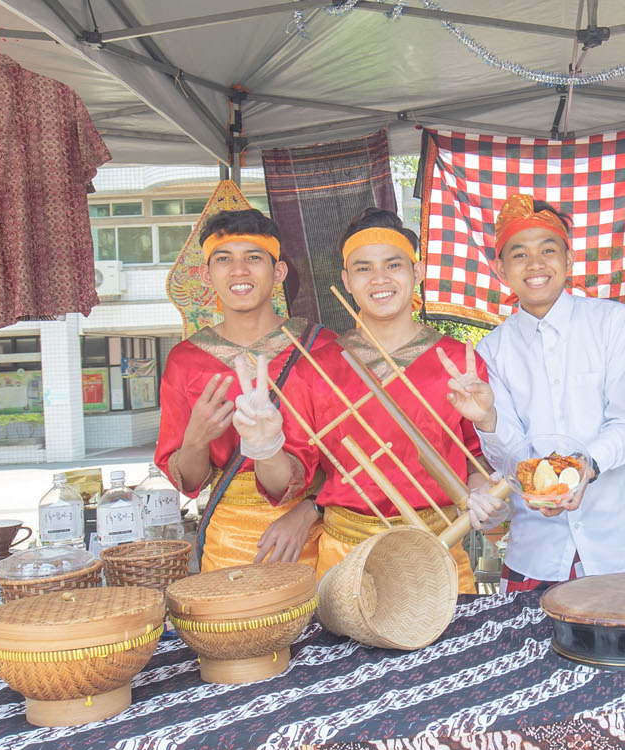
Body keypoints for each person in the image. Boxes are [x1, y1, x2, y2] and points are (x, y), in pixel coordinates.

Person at [249, 208, 507, 588]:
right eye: (364, 268)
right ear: (346, 281)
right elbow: (285, 483)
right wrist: (264, 445)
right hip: (346, 557)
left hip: (437, 550)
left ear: (416, 273)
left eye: (393, 264)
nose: (380, 279)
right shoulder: (315, 369)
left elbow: (479, 461)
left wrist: (482, 491)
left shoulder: (456, 361)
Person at [443, 192, 625, 593]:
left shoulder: (611, 322)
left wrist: (584, 468)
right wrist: (488, 420)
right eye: (519, 254)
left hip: (622, 544)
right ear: (501, 268)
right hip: (538, 553)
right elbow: (509, 457)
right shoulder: (492, 350)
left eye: (548, 250)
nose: (536, 264)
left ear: (568, 259)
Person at [154, 208, 332, 572]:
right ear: (206, 274)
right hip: (227, 540)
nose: (239, 270)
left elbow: (356, 458)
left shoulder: (322, 349)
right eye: (224, 259)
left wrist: (307, 512)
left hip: (316, 534)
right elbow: (188, 480)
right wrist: (196, 439)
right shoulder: (185, 360)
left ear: (278, 271)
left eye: (253, 257)